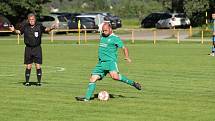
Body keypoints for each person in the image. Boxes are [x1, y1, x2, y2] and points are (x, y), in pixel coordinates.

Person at [76, 23, 142, 101]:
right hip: (101, 63)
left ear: (110, 29)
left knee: (115, 77)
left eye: (106, 30)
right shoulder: (102, 35)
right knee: (92, 78)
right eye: (103, 30)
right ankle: (86, 99)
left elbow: (124, 48)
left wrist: (127, 57)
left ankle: (133, 83)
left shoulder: (115, 38)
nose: (104, 32)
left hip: (110, 62)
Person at [9, 13, 56, 86]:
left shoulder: (39, 26)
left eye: (33, 19)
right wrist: (13, 30)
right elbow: (18, 32)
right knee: (28, 66)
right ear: (28, 20)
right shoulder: (25, 27)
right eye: (30, 19)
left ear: (35, 19)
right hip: (28, 48)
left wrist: (51, 28)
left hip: (37, 48)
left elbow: (46, 29)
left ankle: (39, 82)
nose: (31, 21)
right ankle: (27, 82)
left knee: (38, 66)